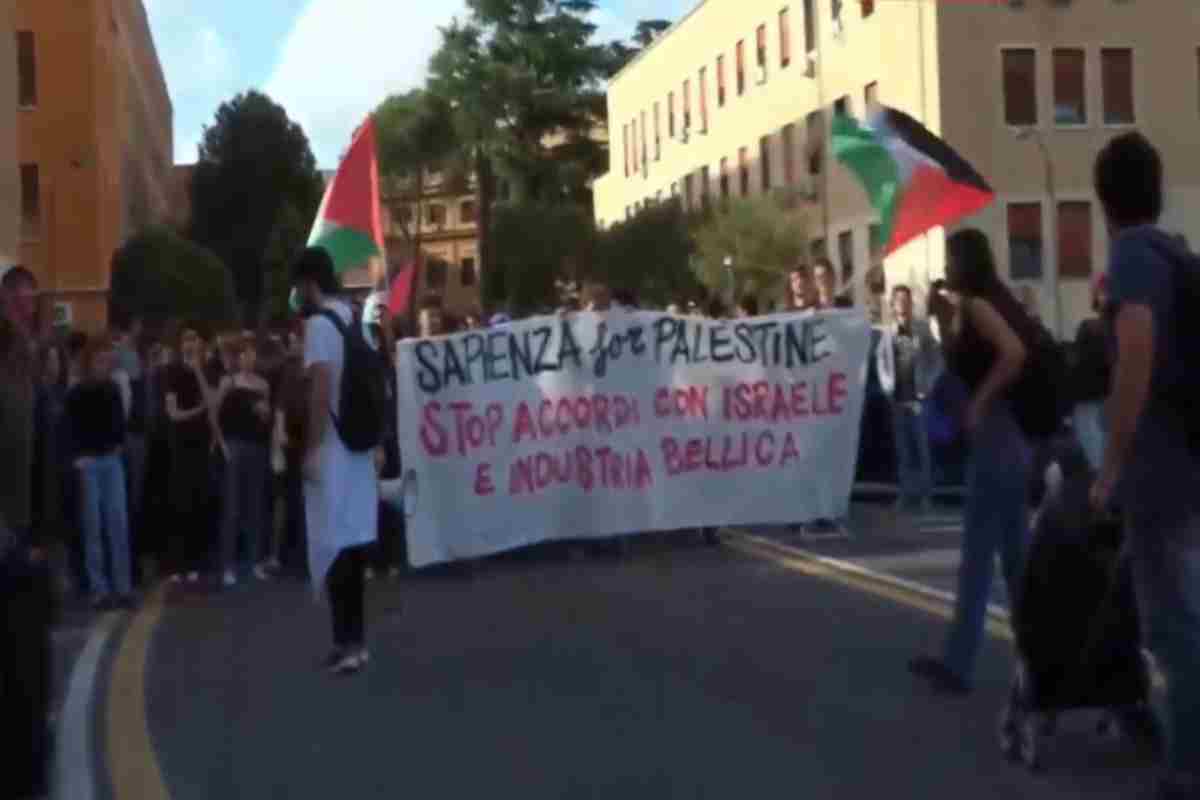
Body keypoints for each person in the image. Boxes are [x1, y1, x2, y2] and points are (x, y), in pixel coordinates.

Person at [1089, 131, 1200, 799]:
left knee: (1174, 624)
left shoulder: (1132, 255)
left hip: (1159, 467)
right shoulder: (1174, 252)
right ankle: (1140, 717)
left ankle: (1186, 769)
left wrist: (1110, 467)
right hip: (1189, 455)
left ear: (1105, 200)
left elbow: (1135, 358)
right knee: (1174, 607)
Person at [909, 228, 1031, 696]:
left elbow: (1013, 356)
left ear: (966, 261)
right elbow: (965, 363)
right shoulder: (980, 305)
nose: (946, 266)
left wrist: (980, 402)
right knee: (1015, 560)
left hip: (998, 437)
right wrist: (943, 323)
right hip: (1010, 440)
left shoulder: (981, 304)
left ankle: (959, 664)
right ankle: (1038, 659)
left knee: (978, 558)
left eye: (950, 257)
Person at [293, 247, 378, 676]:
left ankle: (344, 644)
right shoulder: (350, 315)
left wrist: (310, 449)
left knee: (336, 542)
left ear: (309, 283)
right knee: (355, 544)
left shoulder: (317, 326)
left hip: (334, 446)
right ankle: (356, 642)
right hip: (359, 443)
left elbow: (320, 388)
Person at [0, 264, 56, 800]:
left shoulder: (32, 371)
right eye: (14, 300)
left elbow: (41, 459)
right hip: (7, 547)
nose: (25, 307)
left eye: (29, 300)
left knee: (30, 679)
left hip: (28, 545)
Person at [66, 334, 134, 610]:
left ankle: (123, 587)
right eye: (100, 361)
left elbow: (120, 423)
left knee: (118, 524)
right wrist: (78, 459)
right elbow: (69, 431)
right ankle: (99, 590)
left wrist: (117, 445)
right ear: (89, 362)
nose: (105, 366)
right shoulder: (77, 392)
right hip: (89, 463)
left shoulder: (113, 389)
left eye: (108, 361)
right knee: (93, 527)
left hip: (111, 460)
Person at [212, 335, 272, 586]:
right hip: (235, 445)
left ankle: (253, 561)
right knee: (233, 507)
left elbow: (268, 419)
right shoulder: (229, 381)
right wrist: (222, 444)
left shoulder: (263, 385)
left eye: (253, 354)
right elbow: (214, 414)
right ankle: (227, 565)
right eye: (245, 354)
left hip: (257, 446)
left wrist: (265, 414)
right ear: (239, 357)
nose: (249, 359)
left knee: (255, 506)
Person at [876, 285, 943, 514]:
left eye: (906, 300)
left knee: (922, 450)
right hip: (898, 401)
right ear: (893, 305)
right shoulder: (888, 333)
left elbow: (938, 359)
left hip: (918, 400)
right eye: (898, 301)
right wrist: (887, 386)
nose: (902, 304)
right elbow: (881, 362)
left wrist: (929, 385)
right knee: (903, 451)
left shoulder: (922, 330)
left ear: (911, 304)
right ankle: (905, 495)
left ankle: (926, 497)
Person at [163, 329, 214, 584]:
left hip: (200, 446)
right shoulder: (172, 373)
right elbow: (173, 413)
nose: (190, 344)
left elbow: (211, 402)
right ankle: (177, 564)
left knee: (198, 503)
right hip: (180, 446)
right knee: (179, 504)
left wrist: (197, 370)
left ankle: (195, 563)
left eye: (194, 339)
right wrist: (197, 411)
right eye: (186, 340)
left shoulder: (203, 370)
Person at [1071, 273, 1110, 472]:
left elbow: (1077, 366)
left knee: (1096, 459)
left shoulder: (1088, 329)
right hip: (1104, 399)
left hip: (1091, 401)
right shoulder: (1118, 330)